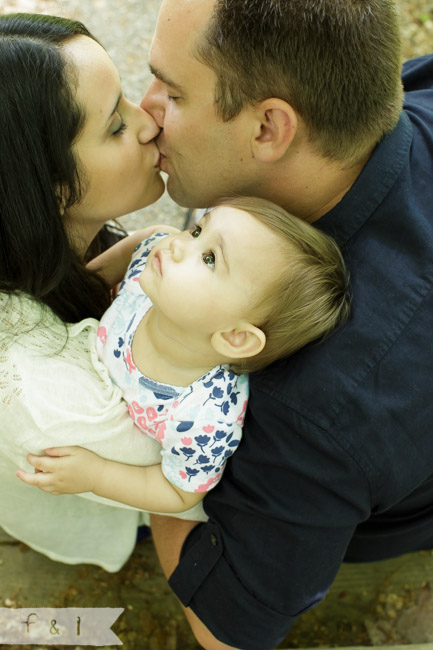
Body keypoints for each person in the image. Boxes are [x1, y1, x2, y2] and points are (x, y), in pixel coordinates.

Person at [136, 1, 433, 649]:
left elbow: (225, 631)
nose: (143, 112)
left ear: (270, 127)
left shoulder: (308, 404)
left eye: (172, 92)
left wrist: (146, 449)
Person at [0, 11, 195, 573]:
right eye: (115, 126)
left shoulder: (42, 250)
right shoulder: (45, 397)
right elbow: (190, 474)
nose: (150, 123)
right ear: (50, 189)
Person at [16, 196, 350, 513]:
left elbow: (180, 492)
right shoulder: (149, 275)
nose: (177, 243)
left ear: (234, 337)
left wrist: (98, 476)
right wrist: (87, 280)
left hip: (122, 465)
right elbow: (150, 236)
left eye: (209, 258)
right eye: (197, 230)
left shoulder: (203, 417)